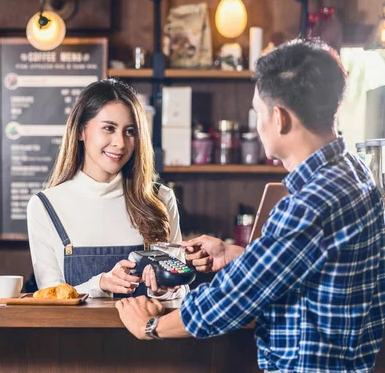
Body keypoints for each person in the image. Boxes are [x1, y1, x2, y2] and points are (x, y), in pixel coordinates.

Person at [116, 39, 385, 373]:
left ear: (279, 118)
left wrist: (150, 328)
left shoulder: (308, 203)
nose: (258, 126)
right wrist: (238, 255)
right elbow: (315, 265)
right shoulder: (356, 173)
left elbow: (231, 300)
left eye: (258, 113)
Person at [27, 79, 186, 299]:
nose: (120, 143)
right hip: (74, 334)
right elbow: (50, 295)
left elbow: (181, 292)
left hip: (144, 332)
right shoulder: (45, 206)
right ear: (81, 131)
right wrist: (100, 284)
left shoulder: (159, 198)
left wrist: (161, 291)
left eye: (130, 131)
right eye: (109, 128)